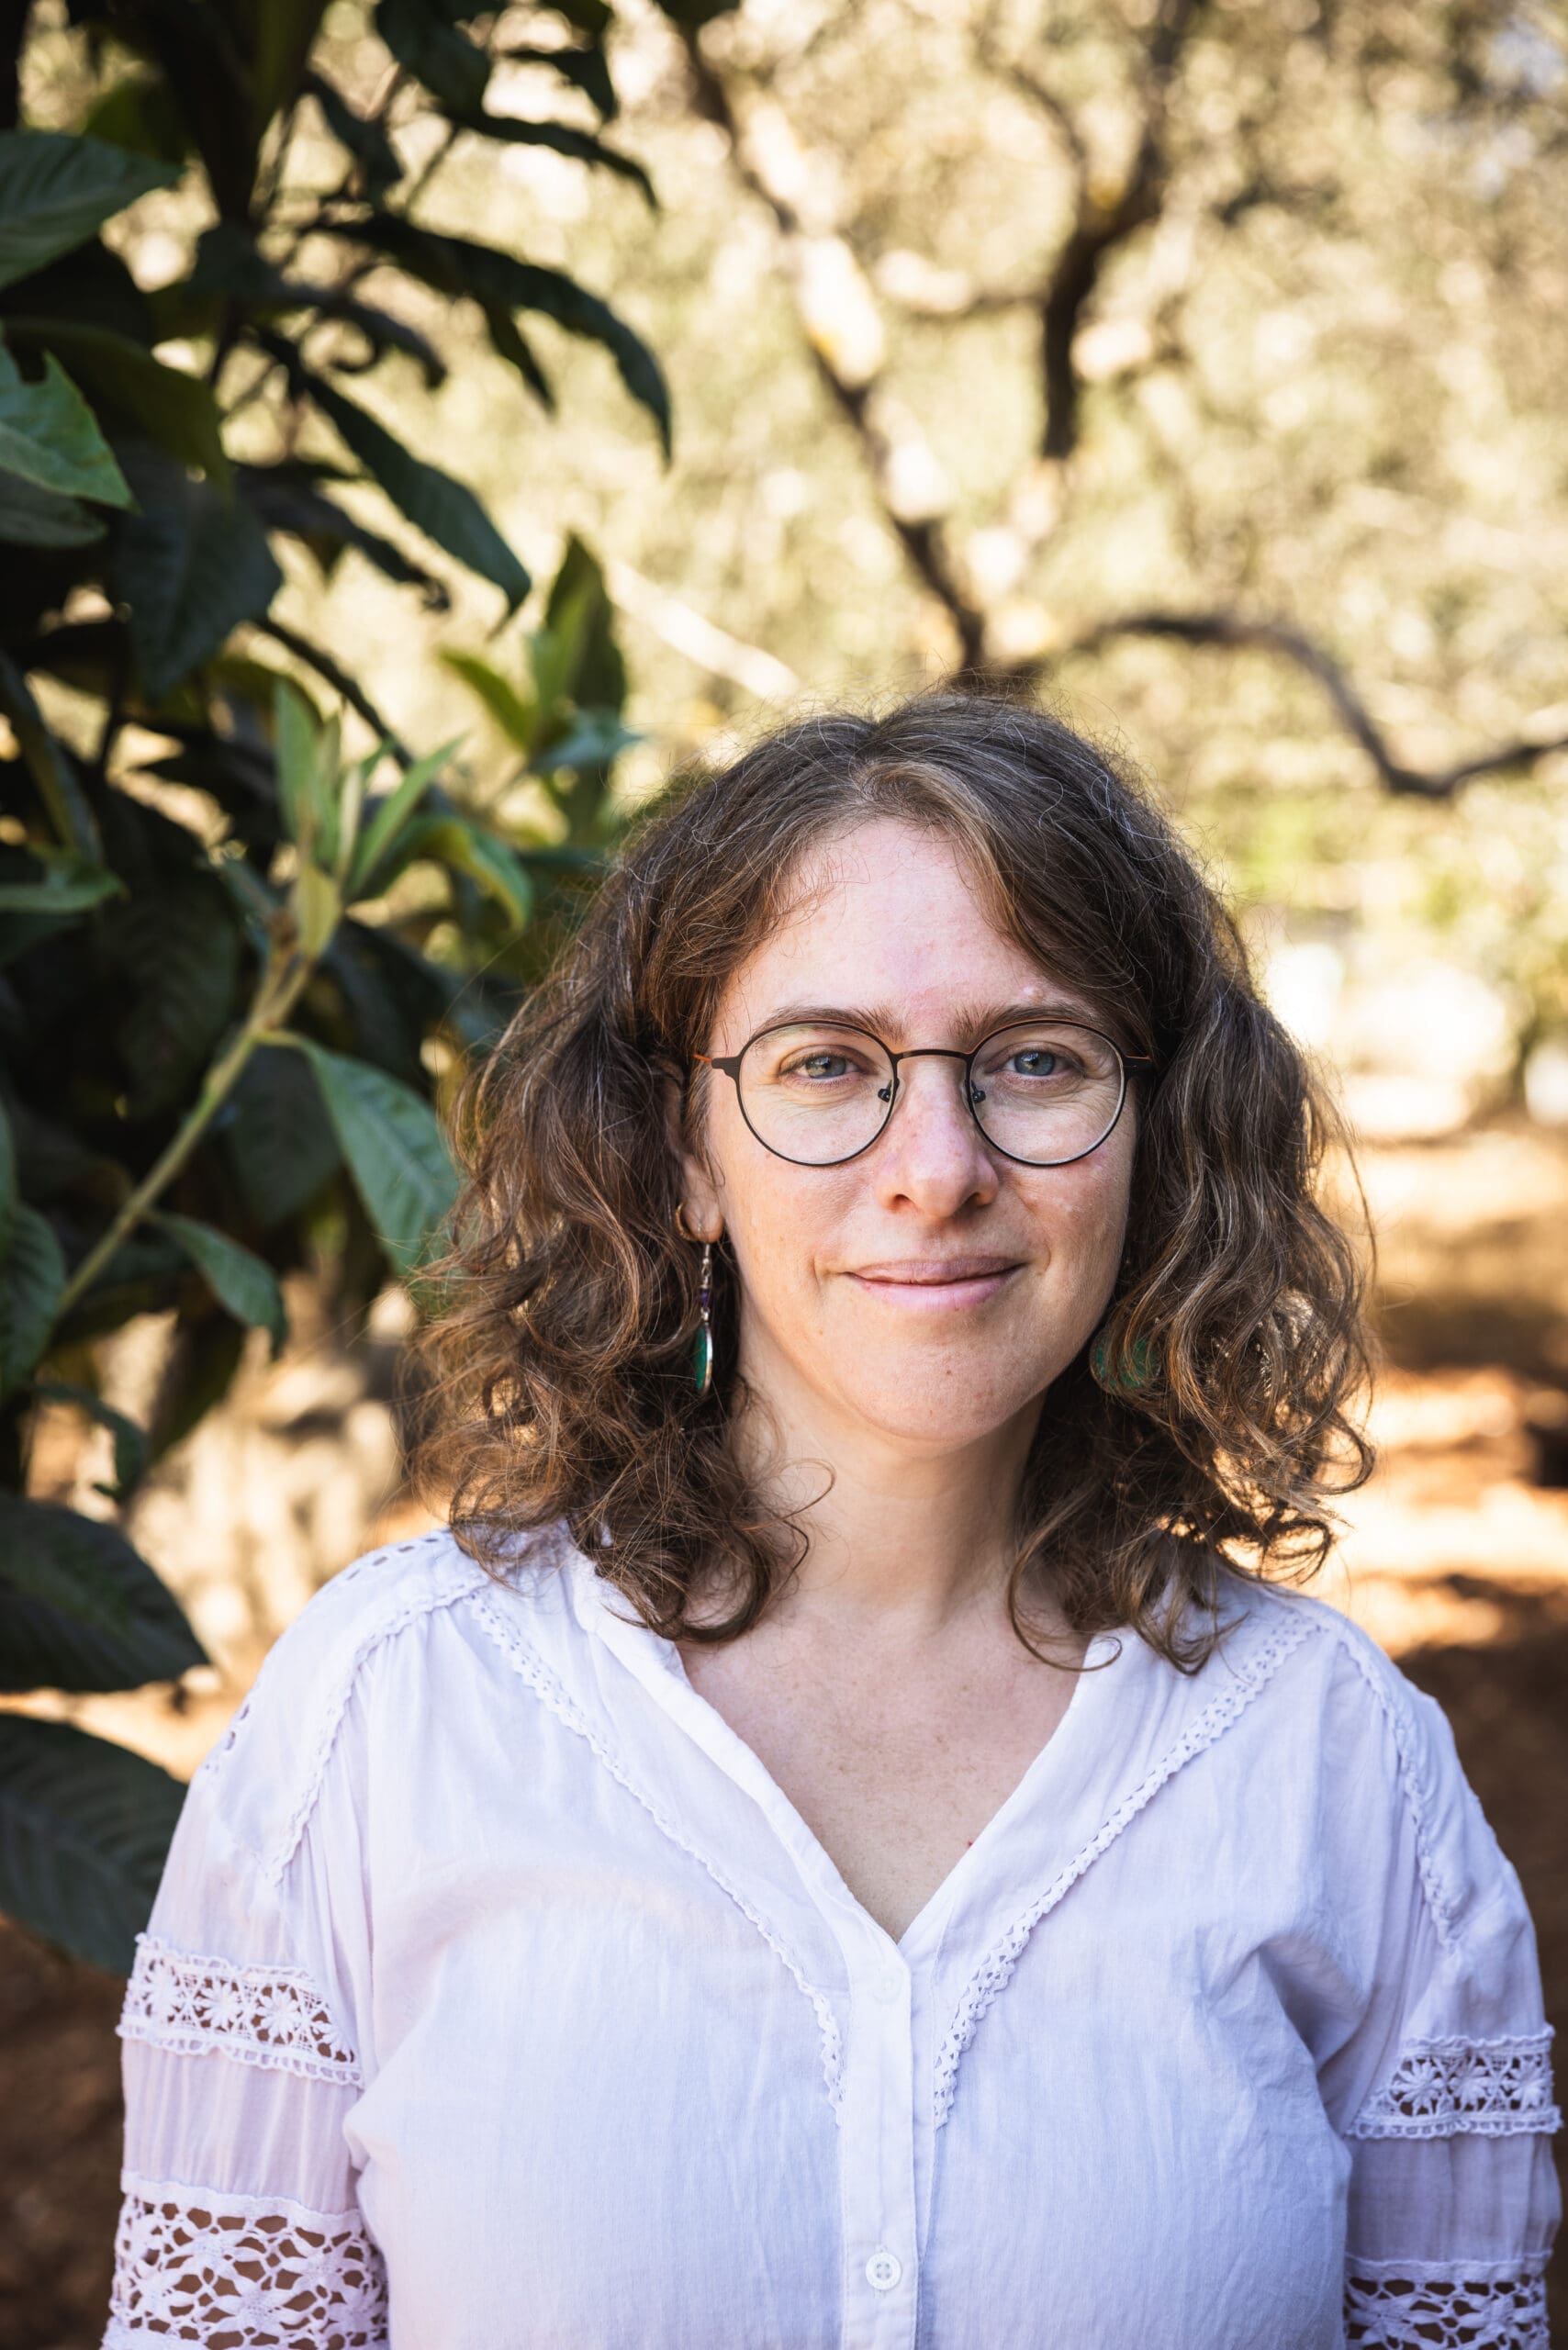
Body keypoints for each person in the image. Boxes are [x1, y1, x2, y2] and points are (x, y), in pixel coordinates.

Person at [102, 693, 1560, 2349]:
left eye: (1035, 1059)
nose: (936, 1168)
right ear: (684, 1154)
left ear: (1154, 1139)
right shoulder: (384, 1720)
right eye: (825, 1065)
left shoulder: (1344, 1769)